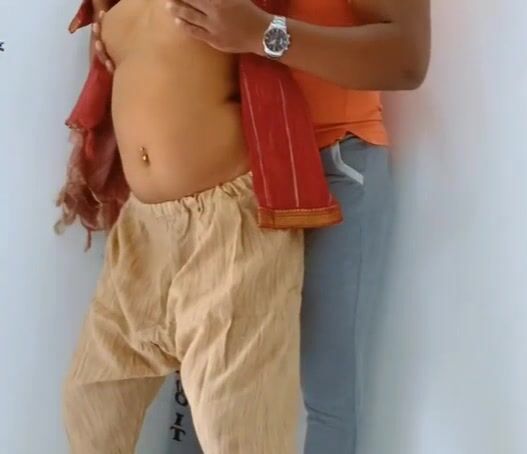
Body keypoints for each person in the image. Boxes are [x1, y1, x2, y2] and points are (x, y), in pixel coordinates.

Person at [58, 0, 430, 453]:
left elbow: (407, 59)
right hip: (223, 176)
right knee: (204, 400)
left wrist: (262, 33)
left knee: (320, 394)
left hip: (330, 157)